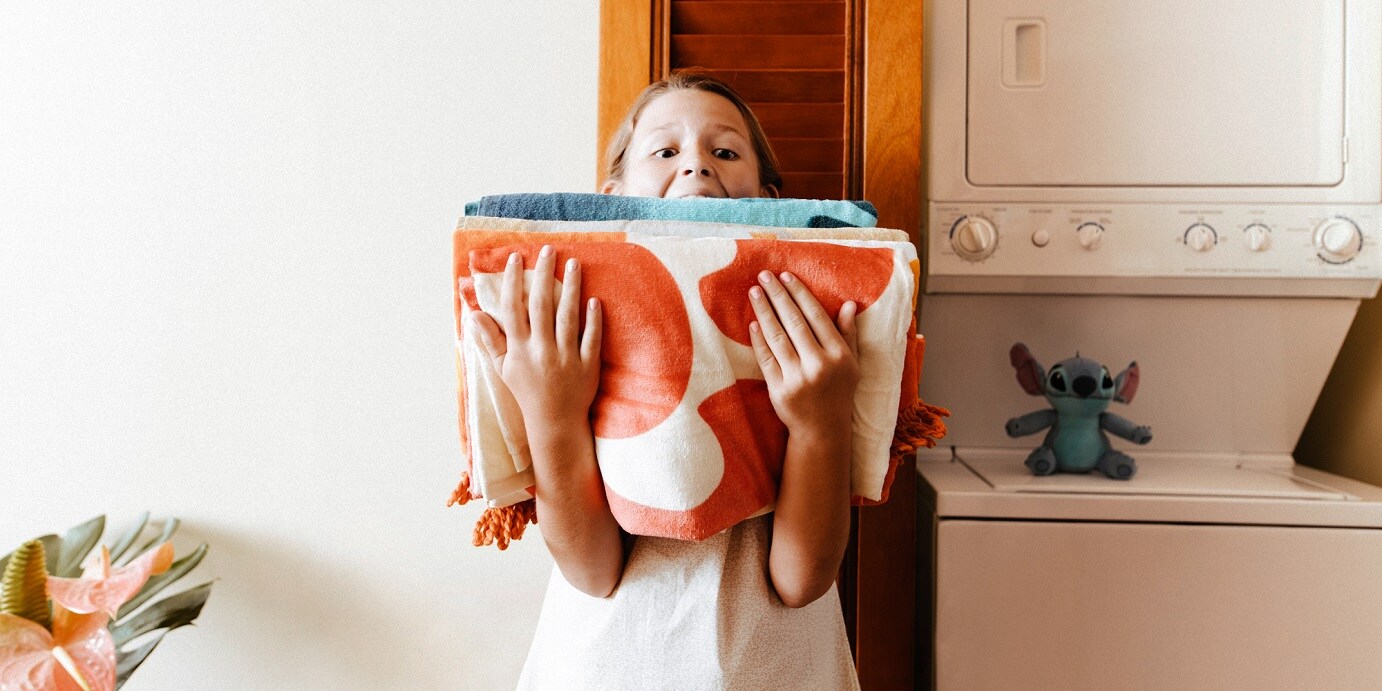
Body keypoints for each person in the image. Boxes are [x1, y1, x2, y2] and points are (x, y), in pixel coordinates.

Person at [470, 70, 862, 689]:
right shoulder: (565, 338)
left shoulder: (809, 336)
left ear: (766, 200)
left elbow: (801, 579)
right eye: (666, 151)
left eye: (725, 151)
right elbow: (592, 570)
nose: (698, 167)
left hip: (770, 663)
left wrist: (820, 422)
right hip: (609, 662)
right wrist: (552, 412)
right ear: (612, 198)